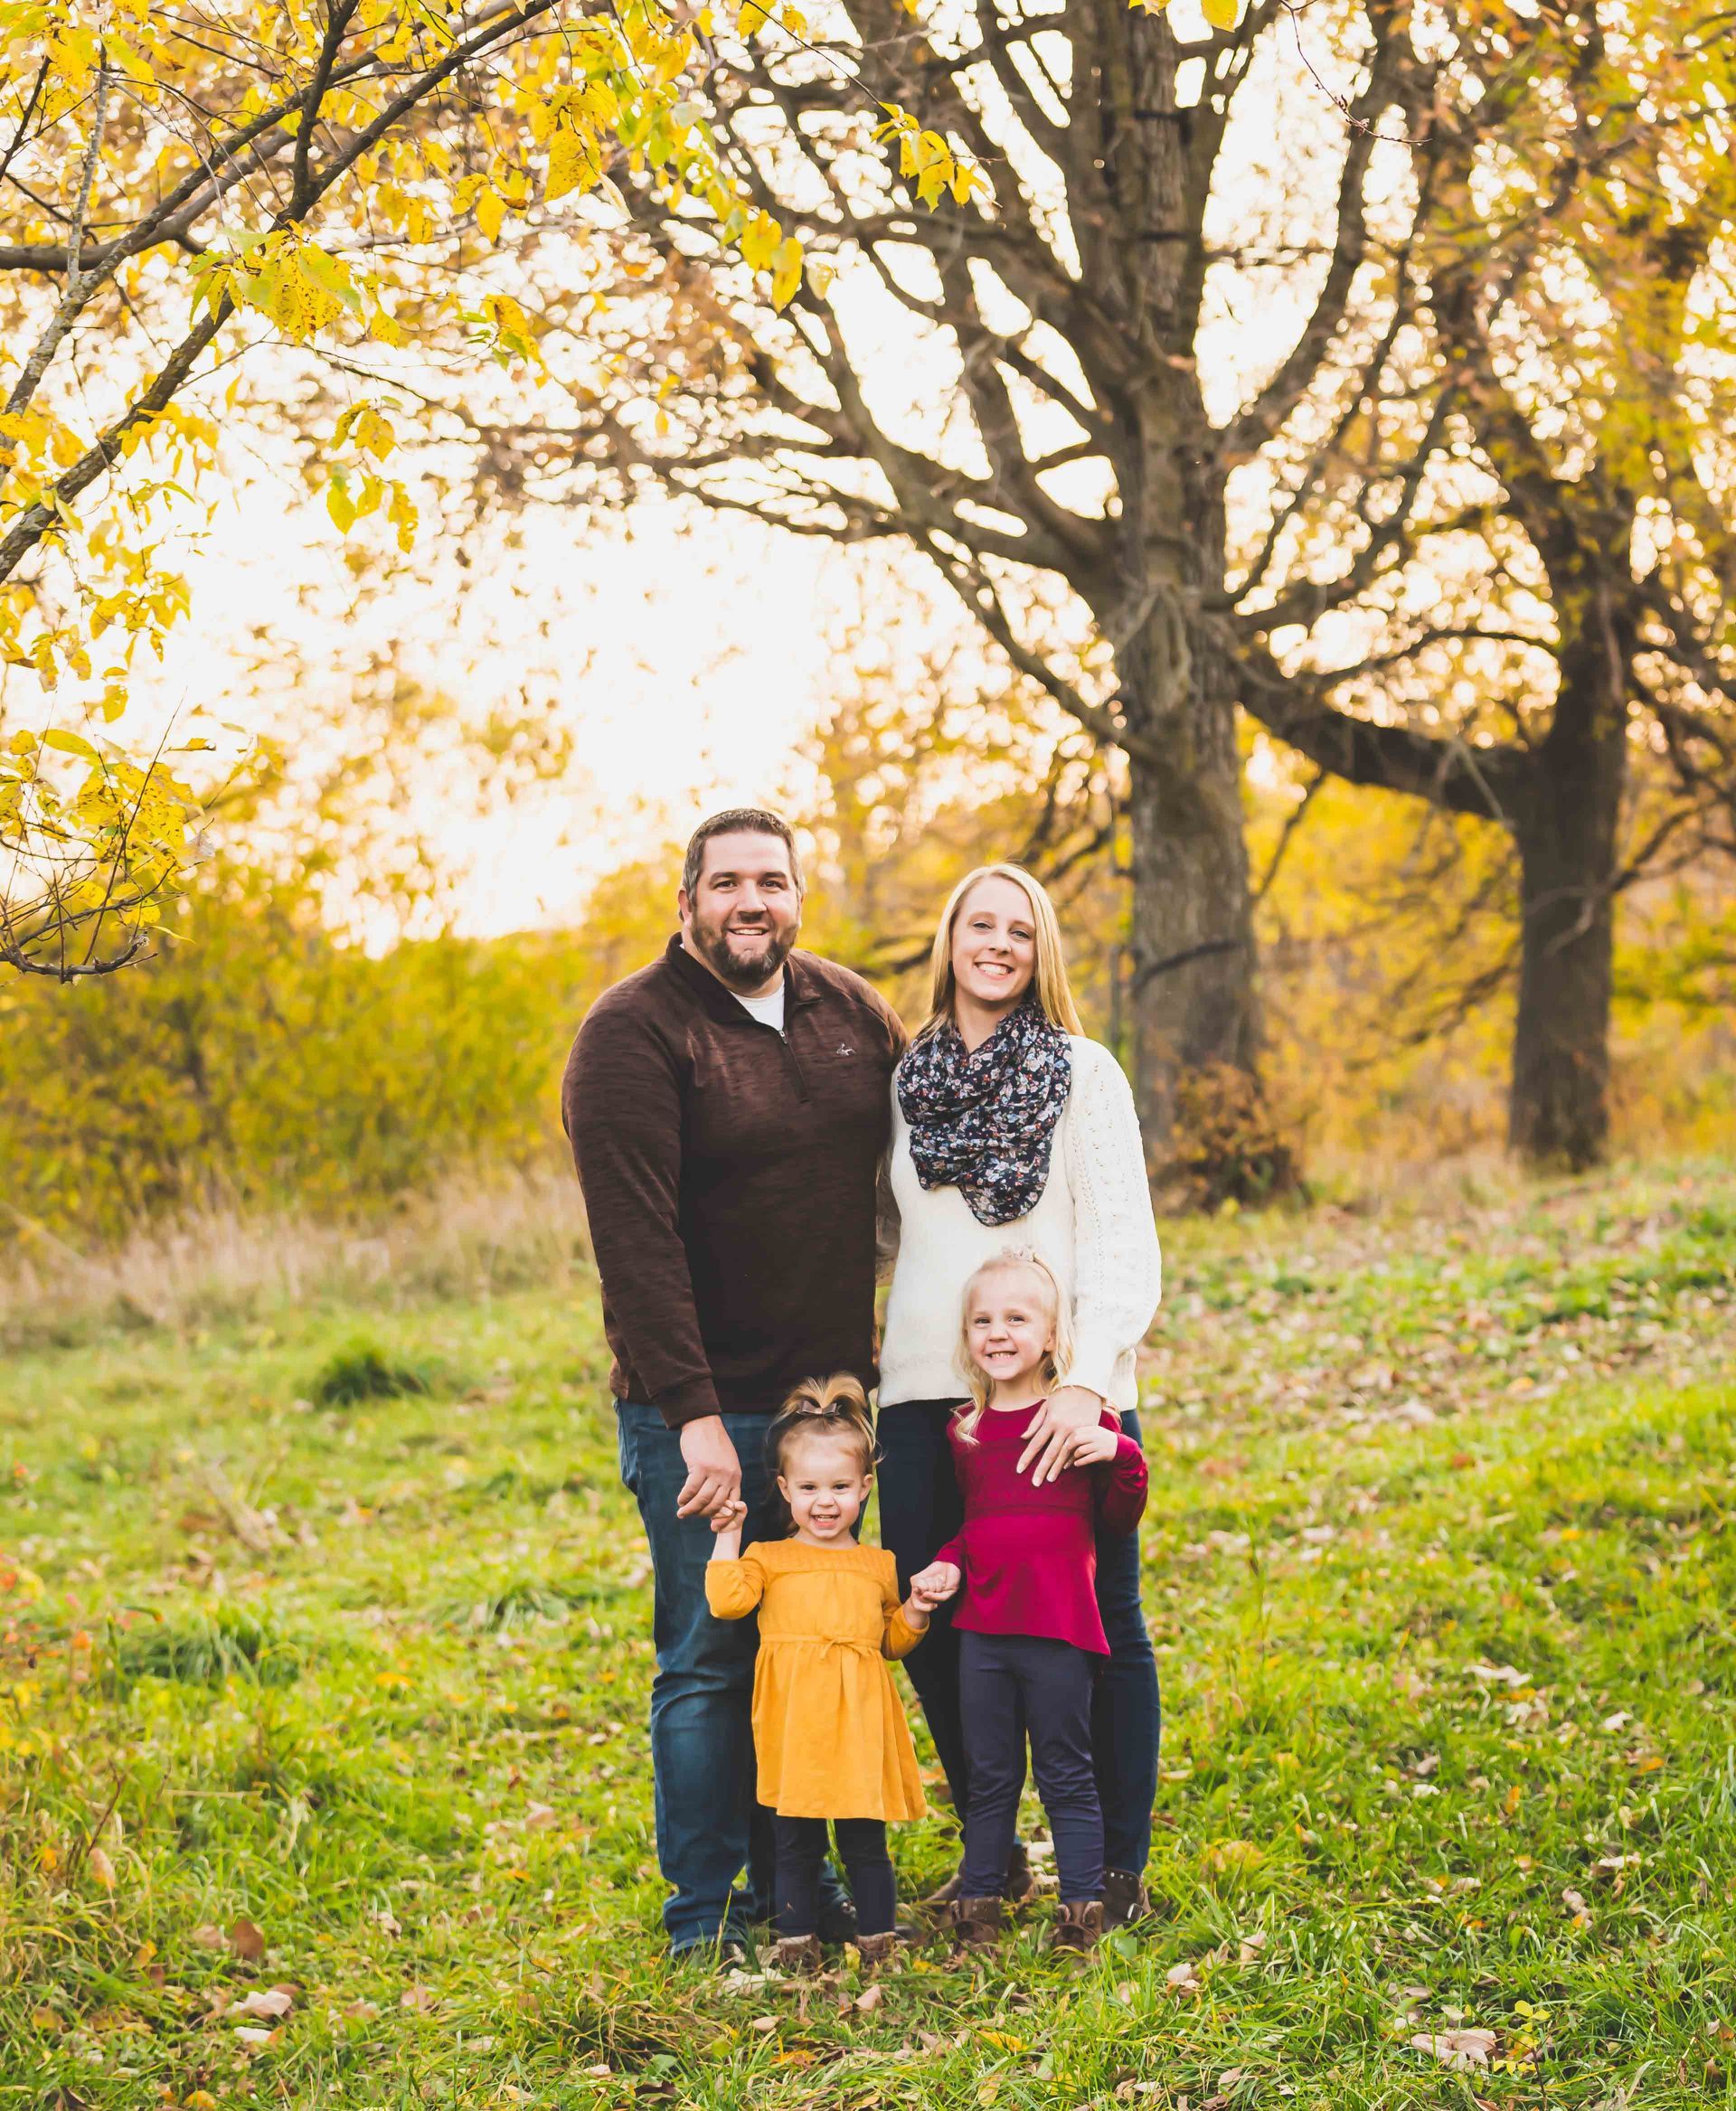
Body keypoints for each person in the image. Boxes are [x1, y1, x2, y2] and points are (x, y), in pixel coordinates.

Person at [561, 808, 906, 1960]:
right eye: (726, 884)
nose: (749, 902)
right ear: (687, 901)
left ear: (799, 893)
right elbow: (637, 1245)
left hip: (833, 1416)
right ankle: (705, 1917)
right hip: (703, 1413)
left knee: (816, 1649)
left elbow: (922, 1171)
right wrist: (696, 1419)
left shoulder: (852, 1009)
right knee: (709, 1662)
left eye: (771, 880)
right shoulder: (633, 1033)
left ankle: (798, 1891)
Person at [876, 862, 1164, 1927]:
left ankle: (1114, 1866)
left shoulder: (1084, 1072)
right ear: (949, 936)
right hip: (923, 1399)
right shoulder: (905, 1081)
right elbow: (889, 1234)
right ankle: (993, 1853)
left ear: (1042, 951)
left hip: (1056, 1404)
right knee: (932, 1616)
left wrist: (1087, 1384)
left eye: (1020, 929)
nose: (997, 943)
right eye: (979, 924)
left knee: (1103, 1626)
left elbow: (1125, 1242)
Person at [912, 1249, 1148, 1954]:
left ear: (1051, 1336)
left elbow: (1119, 1514)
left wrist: (1121, 1453)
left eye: (1017, 1318)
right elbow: (980, 1524)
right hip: (984, 1632)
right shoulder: (966, 1429)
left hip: (1059, 1630)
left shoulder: (1079, 1419)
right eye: (983, 1319)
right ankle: (978, 1910)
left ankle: (1079, 1913)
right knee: (989, 1780)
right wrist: (948, 1566)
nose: (998, 1332)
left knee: (1065, 1771)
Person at [705, 1377, 946, 1974]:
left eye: (840, 1486)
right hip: (796, 1727)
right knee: (797, 1842)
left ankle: (877, 1944)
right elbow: (726, 1601)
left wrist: (914, 1609)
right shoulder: (769, 1556)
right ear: (785, 1489)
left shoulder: (878, 1564)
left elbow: (890, 1642)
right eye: (809, 1487)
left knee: (866, 1841)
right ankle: (797, 1947)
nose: (824, 1501)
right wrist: (728, 1534)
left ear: (865, 1488)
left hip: (859, 1724)